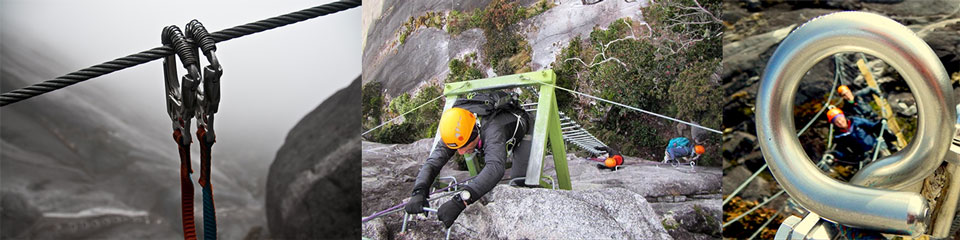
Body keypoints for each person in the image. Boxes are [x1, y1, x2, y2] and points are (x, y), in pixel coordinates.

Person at [404, 91, 529, 228]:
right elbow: (433, 163)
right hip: (490, 135)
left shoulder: (493, 130)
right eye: (457, 148)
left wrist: (461, 200)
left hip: (521, 129)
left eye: (463, 147)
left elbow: (495, 168)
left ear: (475, 134)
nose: (461, 152)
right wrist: (419, 190)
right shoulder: (457, 130)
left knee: (520, 183)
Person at [826, 108, 896, 165]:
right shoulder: (839, 137)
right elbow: (844, 153)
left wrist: (880, 122)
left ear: (843, 116)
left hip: (876, 147)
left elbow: (872, 126)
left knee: (890, 164)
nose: (840, 122)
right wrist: (834, 154)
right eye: (836, 122)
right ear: (834, 124)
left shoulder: (856, 121)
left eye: (840, 119)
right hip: (866, 157)